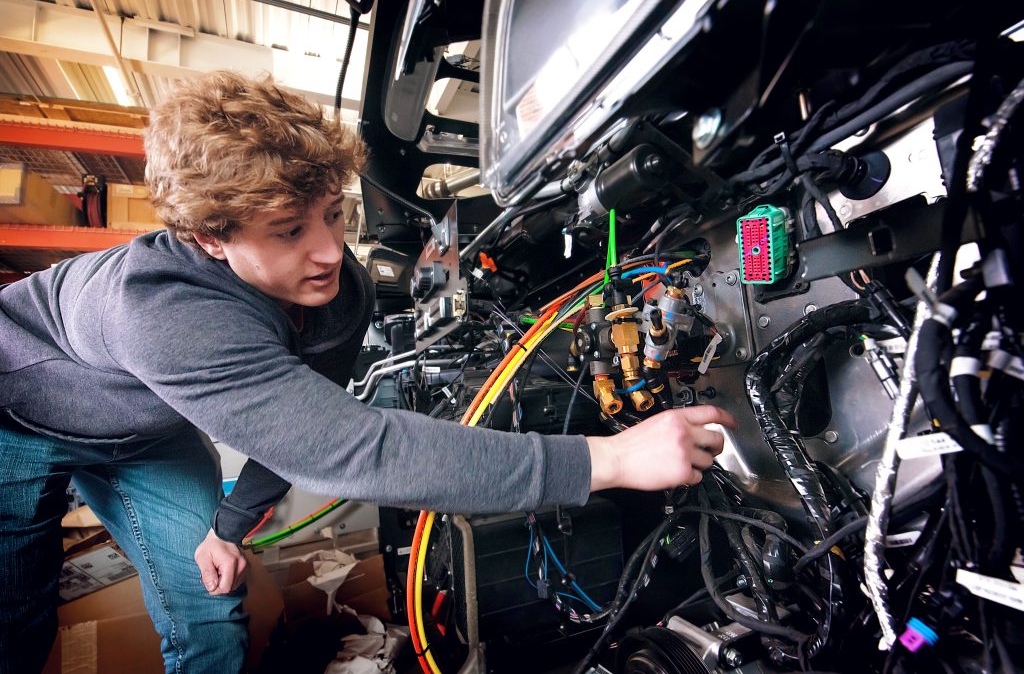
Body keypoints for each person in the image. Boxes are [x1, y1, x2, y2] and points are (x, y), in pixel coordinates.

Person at [0, 71, 735, 674]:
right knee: (18, 621)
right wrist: (608, 457)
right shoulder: (162, 312)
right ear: (209, 239)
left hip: (147, 432)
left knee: (210, 616)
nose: (328, 252)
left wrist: (229, 525)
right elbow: (354, 447)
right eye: (290, 230)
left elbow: (309, 417)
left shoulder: (333, 288)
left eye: (332, 213)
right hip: (19, 415)